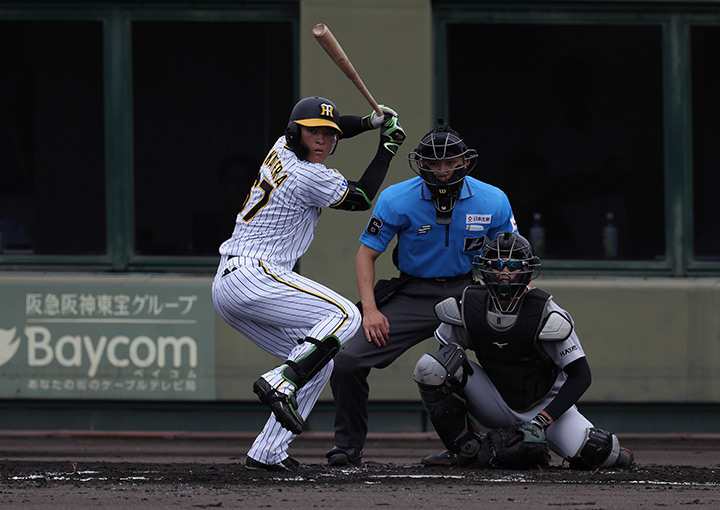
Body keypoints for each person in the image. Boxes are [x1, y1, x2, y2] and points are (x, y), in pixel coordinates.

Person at [212, 96, 406, 472]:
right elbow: (363, 196)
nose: (322, 140)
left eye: (329, 135)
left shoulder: (281, 149)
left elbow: (330, 129)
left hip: (230, 285)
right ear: (296, 133)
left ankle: (268, 451)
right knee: (347, 315)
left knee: (319, 362)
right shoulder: (309, 175)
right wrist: (387, 147)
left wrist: (368, 121)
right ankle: (280, 379)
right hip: (256, 274)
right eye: (312, 132)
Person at [327, 120, 519, 467]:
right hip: (414, 292)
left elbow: (513, 255)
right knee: (347, 361)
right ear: (422, 164)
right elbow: (365, 255)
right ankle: (348, 447)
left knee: (512, 354)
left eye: (450, 163)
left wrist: (522, 304)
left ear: (465, 161)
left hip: (468, 292)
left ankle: (481, 443)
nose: (442, 171)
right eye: (434, 163)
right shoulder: (396, 198)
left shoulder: (494, 199)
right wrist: (370, 310)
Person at [414, 231, 634, 469]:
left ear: (527, 269)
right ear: (485, 268)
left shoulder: (547, 313)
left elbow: (581, 375)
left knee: (601, 452)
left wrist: (541, 422)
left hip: (545, 406)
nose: (505, 273)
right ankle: (463, 449)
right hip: (493, 399)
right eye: (497, 265)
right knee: (430, 367)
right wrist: (463, 427)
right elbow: (444, 365)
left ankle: (553, 446)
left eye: (513, 266)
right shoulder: (467, 306)